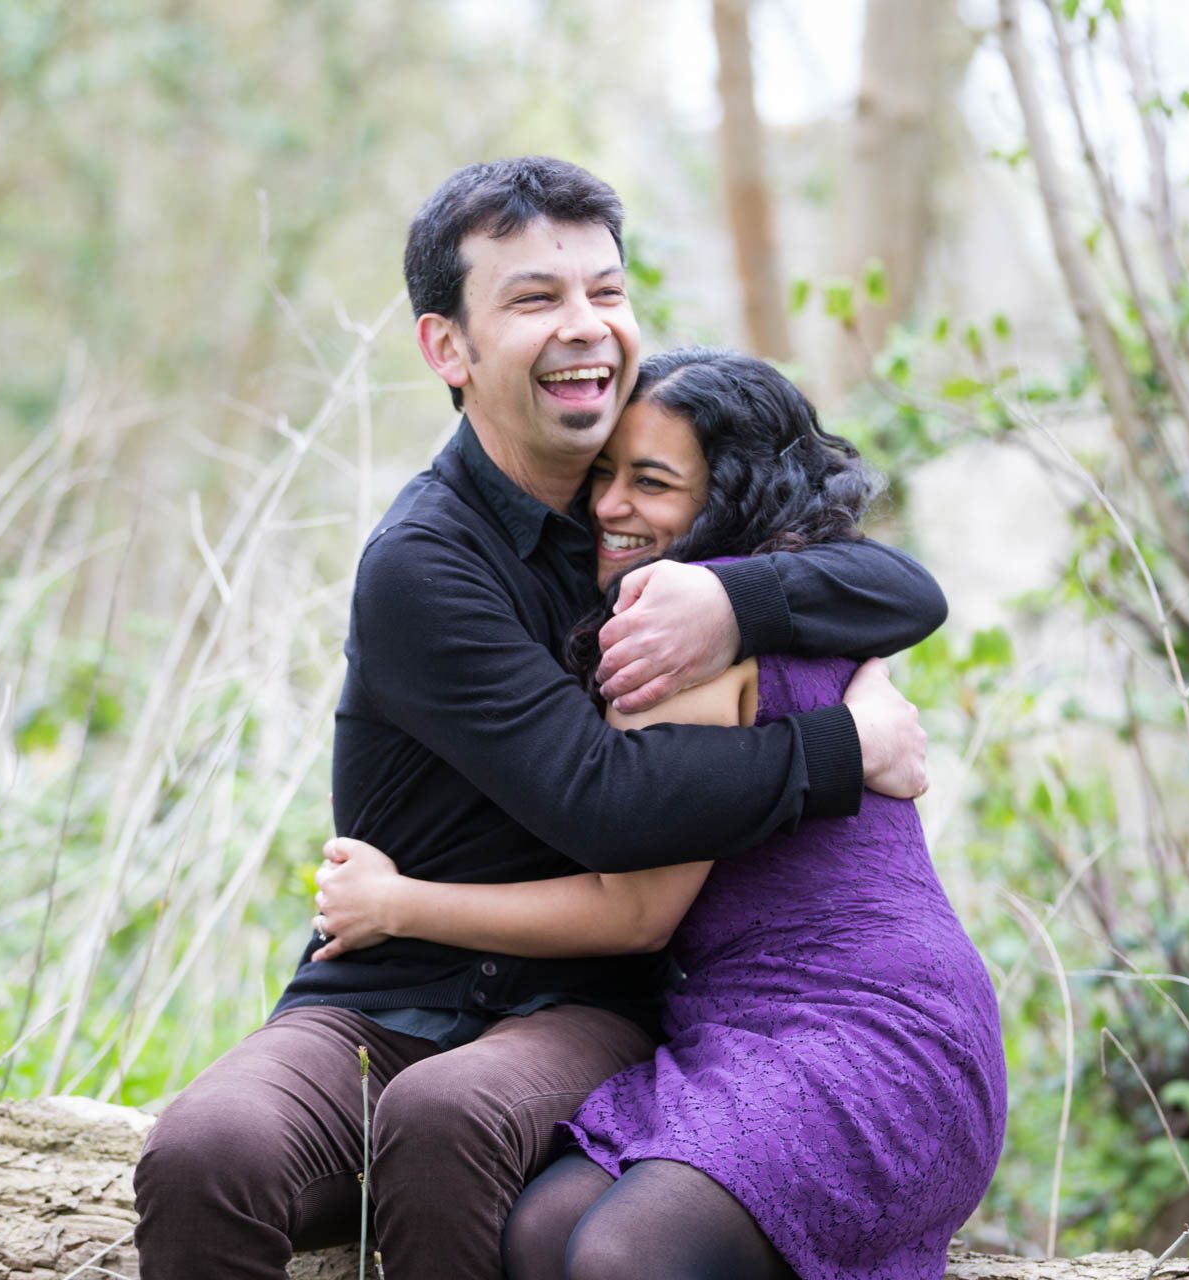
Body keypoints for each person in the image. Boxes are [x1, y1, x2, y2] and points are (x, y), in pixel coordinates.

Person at [132, 157, 948, 1280]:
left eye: (606, 292)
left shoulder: (660, 519)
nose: (586, 327)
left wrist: (734, 593)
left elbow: (899, 583)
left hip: (583, 1009)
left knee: (448, 1116)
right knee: (203, 1148)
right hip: (386, 988)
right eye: (534, 298)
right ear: (448, 350)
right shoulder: (425, 563)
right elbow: (604, 801)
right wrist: (842, 748)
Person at [310, 348, 1007, 1280]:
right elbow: (904, 590)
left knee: (617, 1255)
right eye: (604, 474)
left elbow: (635, 914)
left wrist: (400, 904)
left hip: (866, 1038)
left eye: (652, 481)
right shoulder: (796, 598)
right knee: (538, 1235)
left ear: (728, 495)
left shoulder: (665, 643)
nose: (608, 506)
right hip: (743, 1039)